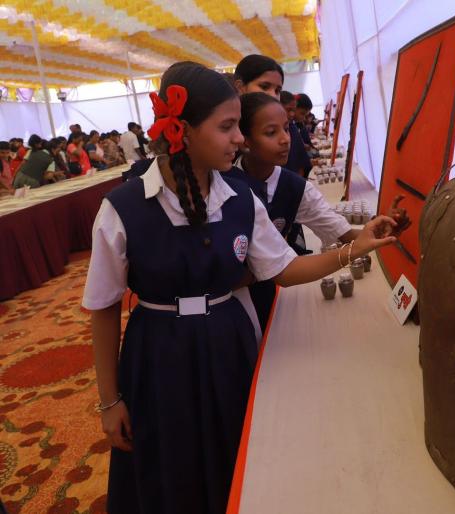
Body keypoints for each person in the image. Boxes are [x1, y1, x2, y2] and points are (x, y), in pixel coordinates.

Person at [83, 61, 397, 514]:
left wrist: (355, 247)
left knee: (235, 453)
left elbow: (284, 269)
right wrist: (109, 400)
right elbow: (103, 306)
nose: (240, 139)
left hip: (228, 345)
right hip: (158, 356)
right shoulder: (123, 207)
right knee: (172, 463)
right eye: (227, 127)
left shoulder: (238, 199)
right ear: (183, 131)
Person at [232, 92, 411, 331]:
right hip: (232, 304)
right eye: (271, 132)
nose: (285, 139)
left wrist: (376, 231)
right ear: (244, 140)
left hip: (269, 295)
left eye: (286, 128)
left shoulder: (295, 188)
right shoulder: (226, 187)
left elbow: (341, 232)